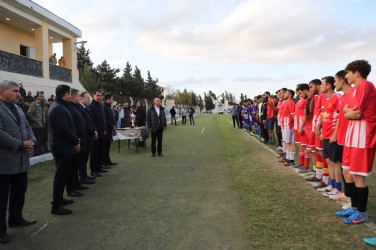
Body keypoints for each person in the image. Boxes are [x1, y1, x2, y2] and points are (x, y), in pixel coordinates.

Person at [335, 60, 376, 226]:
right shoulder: (355, 90)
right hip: (352, 135)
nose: (346, 76)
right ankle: (354, 206)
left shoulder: (366, 85)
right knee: (348, 172)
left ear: (357, 73)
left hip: (362, 136)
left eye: (348, 73)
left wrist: (347, 111)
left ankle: (362, 212)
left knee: (358, 175)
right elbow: (347, 111)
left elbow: (356, 111)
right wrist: (347, 111)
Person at [0, 81, 37, 244]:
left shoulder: (17, 108)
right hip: (4, 163)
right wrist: (20, 144)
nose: (18, 94)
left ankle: (16, 218)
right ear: (2, 91)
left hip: (21, 162)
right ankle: (0, 231)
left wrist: (32, 140)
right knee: (1, 199)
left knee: (19, 192)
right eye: (15, 91)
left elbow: (27, 125)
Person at [48, 84, 80, 215]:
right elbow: (63, 129)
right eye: (70, 94)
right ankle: (56, 206)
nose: (71, 96)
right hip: (61, 147)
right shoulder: (58, 108)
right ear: (66, 94)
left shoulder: (60, 106)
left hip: (64, 146)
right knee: (61, 176)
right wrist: (75, 140)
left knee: (64, 174)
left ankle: (60, 199)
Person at [66, 89, 88, 198]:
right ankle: (71, 188)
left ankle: (77, 184)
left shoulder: (77, 107)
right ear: (73, 97)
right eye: (79, 96)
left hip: (80, 140)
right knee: (73, 167)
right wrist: (76, 141)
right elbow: (71, 127)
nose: (81, 98)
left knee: (77, 164)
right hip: (75, 141)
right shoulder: (70, 108)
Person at [88, 90, 107, 177]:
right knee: (94, 152)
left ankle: (99, 167)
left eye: (100, 95)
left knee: (100, 151)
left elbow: (103, 118)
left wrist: (104, 128)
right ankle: (93, 170)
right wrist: (94, 131)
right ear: (93, 95)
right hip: (96, 133)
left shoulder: (100, 105)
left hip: (102, 131)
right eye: (97, 95)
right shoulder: (91, 106)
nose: (99, 97)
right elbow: (91, 120)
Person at [78, 92, 96, 184]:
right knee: (83, 158)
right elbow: (85, 124)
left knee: (85, 158)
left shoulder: (85, 108)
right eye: (87, 98)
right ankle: (83, 177)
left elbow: (90, 122)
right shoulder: (80, 109)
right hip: (85, 137)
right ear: (81, 98)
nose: (88, 100)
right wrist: (93, 132)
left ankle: (84, 175)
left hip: (88, 137)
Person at [26, 91, 47, 156]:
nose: (42, 97)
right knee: (37, 140)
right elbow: (29, 114)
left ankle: (40, 153)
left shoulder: (43, 104)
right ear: (37, 97)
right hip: (36, 126)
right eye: (41, 96)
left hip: (42, 125)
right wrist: (36, 120)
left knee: (41, 140)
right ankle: (36, 153)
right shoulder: (34, 104)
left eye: (43, 96)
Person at [103, 93, 116, 166]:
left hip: (110, 129)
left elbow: (111, 118)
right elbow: (105, 119)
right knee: (105, 147)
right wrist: (111, 126)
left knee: (108, 146)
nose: (112, 100)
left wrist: (113, 125)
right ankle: (104, 162)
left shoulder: (108, 107)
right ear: (108, 99)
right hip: (106, 129)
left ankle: (107, 160)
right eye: (112, 99)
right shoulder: (104, 107)